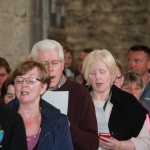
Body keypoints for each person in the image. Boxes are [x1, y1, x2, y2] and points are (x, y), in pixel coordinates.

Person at [31, 39, 99, 150]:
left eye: (55, 63)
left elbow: (91, 143)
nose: (50, 69)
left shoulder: (79, 93)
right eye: (44, 64)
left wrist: (67, 127)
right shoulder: (28, 92)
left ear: (63, 65)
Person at [82, 49, 150, 150]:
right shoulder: (80, 100)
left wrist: (119, 145)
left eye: (102, 72)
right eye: (92, 73)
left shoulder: (128, 101)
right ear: (86, 75)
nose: (97, 77)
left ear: (111, 74)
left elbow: (146, 143)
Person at [6, 60, 73, 150]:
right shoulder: (3, 117)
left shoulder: (59, 121)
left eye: (31, 80)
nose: (24, 85)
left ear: (43, 87)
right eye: (19, 80)